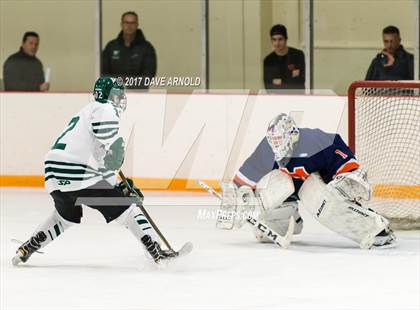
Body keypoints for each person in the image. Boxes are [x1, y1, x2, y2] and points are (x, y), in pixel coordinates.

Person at [12, 77, 174, 266]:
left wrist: (117, 184)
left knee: (64, 217)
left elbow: (100, 157)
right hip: (76, 171)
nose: (121, 98)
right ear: (111, 95)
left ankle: (28, 247)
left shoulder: (87, 110)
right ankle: (156, 249)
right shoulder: (106, 109)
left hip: (53, 171)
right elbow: (111, 153)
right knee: (129, 210)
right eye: (118, 94)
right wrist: (121, 187)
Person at [218, 114, 396, 249]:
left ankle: (375, 229)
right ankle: (290, 221)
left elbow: (340, 152)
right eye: (273, 140)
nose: (275, 144)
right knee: (273, 188)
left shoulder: (315, 140)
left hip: (318, 184)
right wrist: (235, 201)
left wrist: (346, 177)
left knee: (322, 201)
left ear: (292, 134)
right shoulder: (267, 147)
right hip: (290, 189)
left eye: (279, 139)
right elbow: (249, 173)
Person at [102, 11, 157, 90]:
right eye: (126, 22)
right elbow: (103, 73)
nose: (129, 26)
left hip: (139, 95)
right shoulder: (111, 46)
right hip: (113, 94)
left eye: (132, 23)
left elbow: (148, 76)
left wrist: (128, 85)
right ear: (121, 24)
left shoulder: (147, 48)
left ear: (137, 25)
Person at [263, 24, 305, 92]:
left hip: (296, 97)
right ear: (271, 41)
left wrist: (279, 81)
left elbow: (300, 82)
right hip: (277, 99)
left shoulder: (298, 55)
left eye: (280, 39)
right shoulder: (268, 60)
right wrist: (290, 78)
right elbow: (268, 87)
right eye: (274, 40)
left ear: (286, 39)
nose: (277, 43)